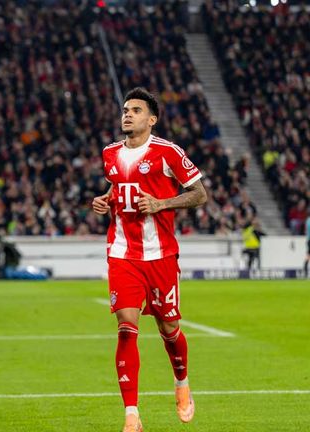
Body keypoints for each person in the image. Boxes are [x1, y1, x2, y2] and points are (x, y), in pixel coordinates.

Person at [92, 88, 207, 432]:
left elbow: (199, 195)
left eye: (136, 110)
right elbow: (118, 190)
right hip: (122, 253)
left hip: (160, 256)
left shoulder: (168, 152)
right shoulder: (109, 153)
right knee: (127, 328)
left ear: (151, 119)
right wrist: (106, 200)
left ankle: (181, 381)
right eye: (126, 109)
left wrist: (160, 204)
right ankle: (131, 415)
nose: (127, 114)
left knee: (169, 330)